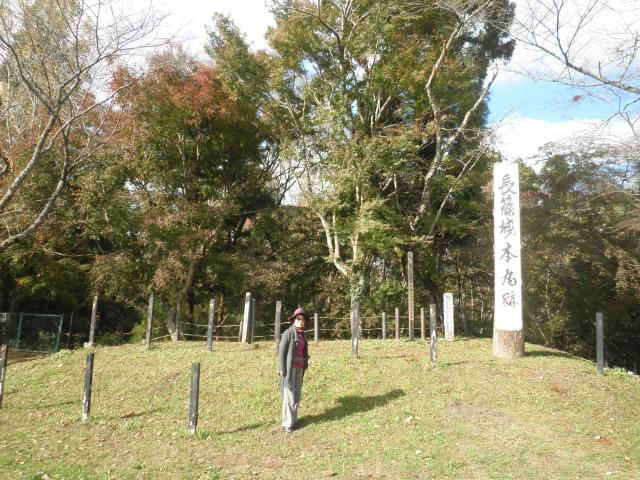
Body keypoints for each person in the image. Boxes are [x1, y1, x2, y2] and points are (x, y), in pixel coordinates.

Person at [278, 307, 310, 433]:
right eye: (298, 319)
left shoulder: (303, 334)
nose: (300, 321)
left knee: (296, 395)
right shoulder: (288, 333)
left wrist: (305, 363)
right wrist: (282, 368)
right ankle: (287, 423)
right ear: (293, 320)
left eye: (303, 320)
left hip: (300, 368)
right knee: (289, 395)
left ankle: (293, 421)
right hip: (289, 369)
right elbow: (282, 352)